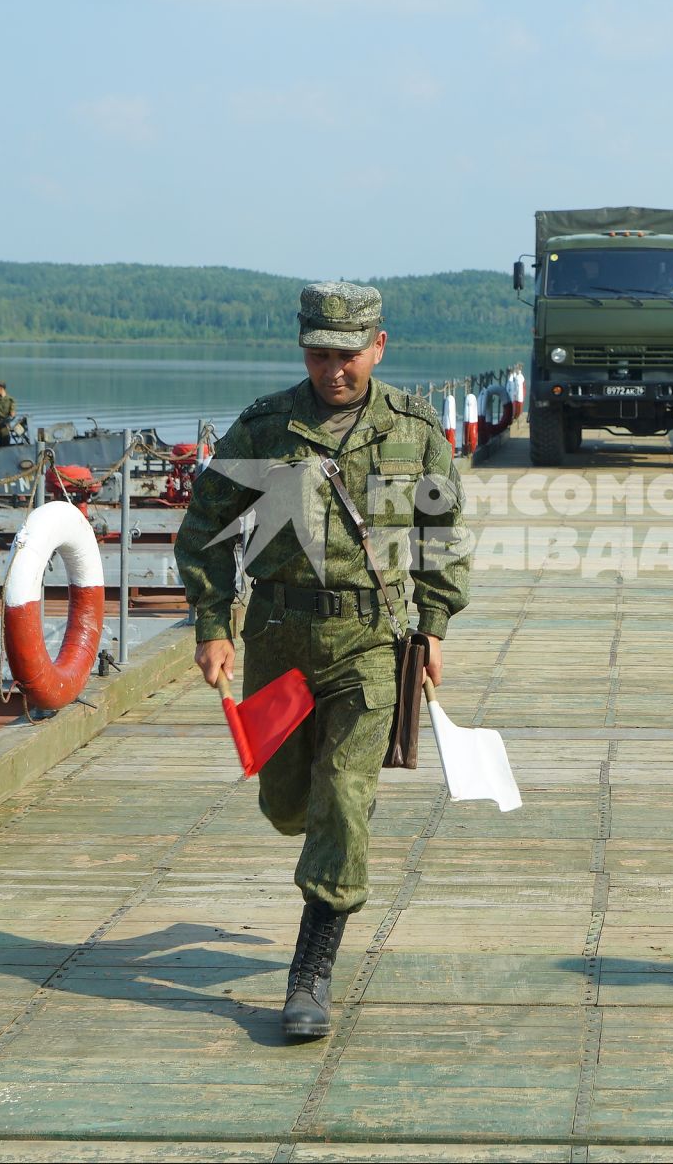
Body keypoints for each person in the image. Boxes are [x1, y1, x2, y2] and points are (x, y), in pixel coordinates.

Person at [174, 281, 470, 1042]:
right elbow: (204, 522)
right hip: (279, 639)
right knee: (288, 807)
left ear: (378, 346)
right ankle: (326, 833)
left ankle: (310, 972)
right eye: (318, 353)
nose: (332, 369)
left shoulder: (414, 429)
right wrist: (213, 623)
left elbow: (440, 528)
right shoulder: (267, 427)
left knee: (342, 792)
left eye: (346, 354)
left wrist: (433, 622)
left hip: (372, 641)